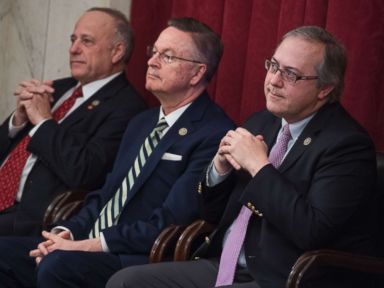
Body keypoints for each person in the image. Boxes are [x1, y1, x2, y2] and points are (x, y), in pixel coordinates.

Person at [106, 26, 378, 288]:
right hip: (223, 263)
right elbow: (210, 212)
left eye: (291, 74)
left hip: (283, 276)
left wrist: (259, 167)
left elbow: (312, 230)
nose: (274, 81)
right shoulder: (262, 122)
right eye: (273, 66)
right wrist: (218, 171)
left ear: (325, 88)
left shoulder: (347, 145)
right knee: (125, 281)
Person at [0, 17, 234, 288]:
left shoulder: (213, 133)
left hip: (136, 255)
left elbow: (170, 221)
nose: (152, 62)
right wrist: (64, 233)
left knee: (57, 266)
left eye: (167, 56)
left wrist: (86, 246)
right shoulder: (142, 123)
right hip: (90, 241)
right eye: (154, 52)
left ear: (196, 73)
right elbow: (105, 195)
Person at [0, 7, 146, 236]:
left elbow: (84, 172)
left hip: (29, 218)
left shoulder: (128, 108)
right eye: (73, 39)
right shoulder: (57, 89)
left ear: (117, 52)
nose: (73, 49)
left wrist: (43, 121)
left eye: (86, 41)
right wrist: (17, 121)